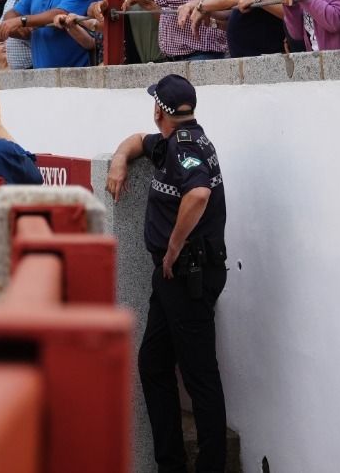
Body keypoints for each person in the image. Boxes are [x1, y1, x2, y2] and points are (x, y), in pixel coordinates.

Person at [105, 74, 228, 473]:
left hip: (188, 273)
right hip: (173, 277)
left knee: (199, 376)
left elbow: (198, 193)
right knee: (154, 363)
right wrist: (119, 160)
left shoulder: (184, 147)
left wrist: (174, 248)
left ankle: (210, 466)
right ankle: (170, 464)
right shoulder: (171, 141)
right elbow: (136, 141)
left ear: (160, 110)